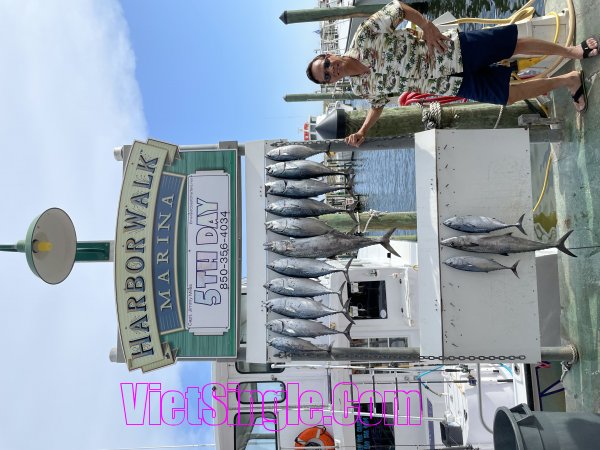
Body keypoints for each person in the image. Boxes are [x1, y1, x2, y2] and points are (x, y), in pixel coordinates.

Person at [306, 0, 599, 147]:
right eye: (327, 76)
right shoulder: (361, 89)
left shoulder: (364, 36)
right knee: (508, 96)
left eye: (326, 65)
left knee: (513, 45)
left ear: (329, 55)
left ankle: (573, 51)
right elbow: (377, 105)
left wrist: (427, 26)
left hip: (451, 50)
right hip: (450, 85)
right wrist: (362, 131)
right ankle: (568, 81)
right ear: (331, 82)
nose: (332, 70)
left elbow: (398, 9)